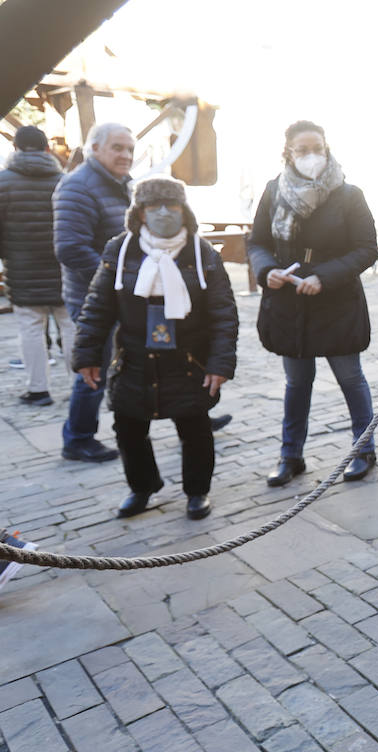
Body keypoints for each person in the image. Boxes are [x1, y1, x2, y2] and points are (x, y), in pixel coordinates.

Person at [72, 177, 237, 520]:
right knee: (130, 429)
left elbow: (223, 314)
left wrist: (220, 364)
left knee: (195, 429)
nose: (164, 212)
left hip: (188, 358)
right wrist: (87, 355)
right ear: (140, 213)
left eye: (171, 205)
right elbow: (97, 307)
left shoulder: (201, 252)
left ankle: (197, 491)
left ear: (184, 210)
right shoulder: (119, 250)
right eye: (154, 206)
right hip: (134, 358)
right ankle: (142, 486)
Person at [248, 120, 378, 486]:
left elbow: (367, 248)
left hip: (336, 301)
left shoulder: (348, 194)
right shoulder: (275, 190)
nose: (311, 156)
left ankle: (363, 448)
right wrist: (266, 271)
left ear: (327, 148)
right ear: (288, 153)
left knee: (350, 377)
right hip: (291, 303)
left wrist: (325, 275)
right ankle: (291, 455)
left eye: (316, 148)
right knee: (297, 382)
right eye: (302, 150)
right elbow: (256, 242)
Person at [52, 122, 134, 462]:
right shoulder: (78, 187)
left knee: (151, 359)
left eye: (130, 148)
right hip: (94, 299)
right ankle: (78, 438)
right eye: (118, 147)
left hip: (124, 295)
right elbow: (70, 249)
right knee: (94, 368)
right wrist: (117, 277)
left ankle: (188, 414)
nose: (126, 155)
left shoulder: (119, 184)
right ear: (95, 149)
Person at [0, 126, 66, 407]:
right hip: (63, 268)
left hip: (21, 267)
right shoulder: (65, 181)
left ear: (15, 149)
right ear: (47, 149)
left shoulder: (2, 182)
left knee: (30, 328)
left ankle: (39, 390)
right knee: (71, 324)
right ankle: (84, 385)